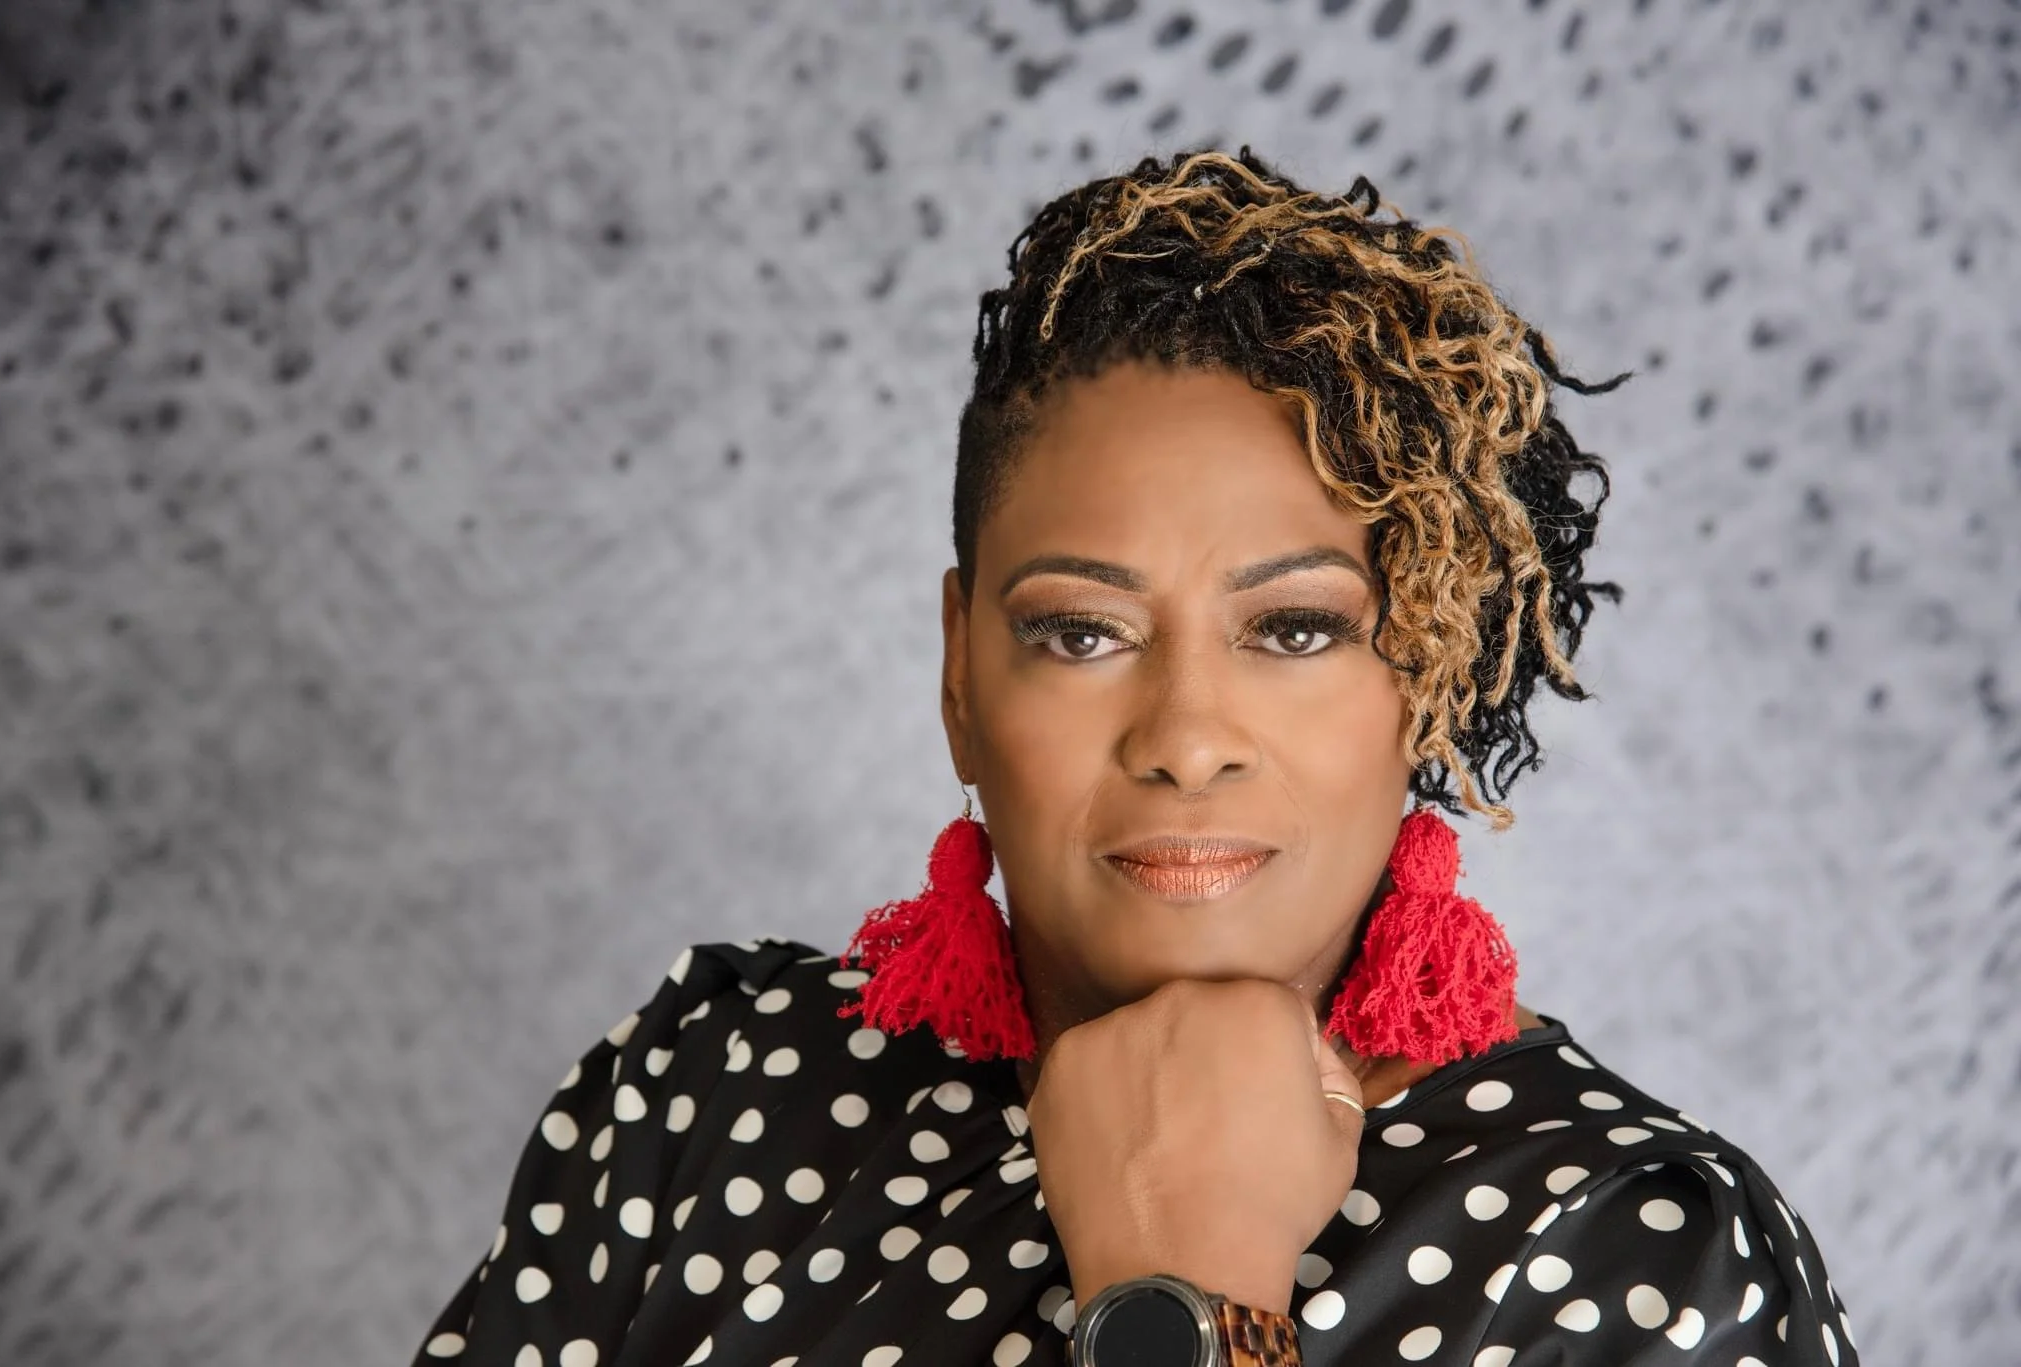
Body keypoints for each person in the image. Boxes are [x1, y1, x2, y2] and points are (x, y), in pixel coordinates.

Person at [409, 148, 1859, 1367]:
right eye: (1083, 632)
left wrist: (1180, 1293)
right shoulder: (707, 1097)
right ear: (958, 671)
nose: (1182, 739)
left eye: (1293, 629)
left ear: (1425, 674)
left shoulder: (1643, 1258)